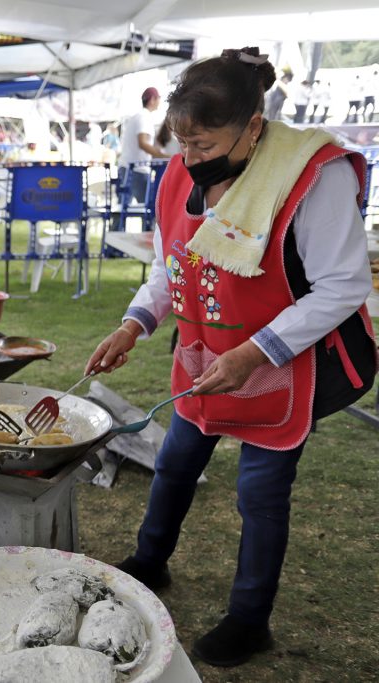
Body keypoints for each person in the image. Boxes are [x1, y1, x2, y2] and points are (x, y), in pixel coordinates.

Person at [86, 47, 376, 668]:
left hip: (276, 362)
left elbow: (345, 286)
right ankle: (150, 561)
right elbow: (175, 266)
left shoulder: (313, 176)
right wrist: (133, 323)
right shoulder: (181, 168)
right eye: (182, 142)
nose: (189, 159)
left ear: (252, 126)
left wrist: (256, 352)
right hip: (203, 354)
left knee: (260, 496)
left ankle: (250, 620)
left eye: (204, 144)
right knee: (173, 465)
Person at [115, 87, 171, 225]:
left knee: (122, 209)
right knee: (150, 210)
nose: (159, 102)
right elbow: (143, 143)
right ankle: (150, 240)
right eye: (158, 98)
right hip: (136, 170)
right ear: (152, 100)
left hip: (128, 167)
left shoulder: (138, 116)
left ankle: (114, 244)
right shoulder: (144, 117)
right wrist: (166, 157)